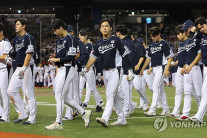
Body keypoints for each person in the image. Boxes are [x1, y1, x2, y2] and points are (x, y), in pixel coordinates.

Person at [82, 18, 133, 127]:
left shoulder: (116, 40)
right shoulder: (99, 43)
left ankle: (105, 118)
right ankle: (122, 119)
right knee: (113, 97)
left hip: (116, 70)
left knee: (109, 94)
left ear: (110, 28)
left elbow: (125, 54)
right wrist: (86, 68)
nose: (104, 28)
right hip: (105, 72)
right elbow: (93, 58)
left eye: (106, 26)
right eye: (102, 26)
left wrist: (130, 70)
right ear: (100, 29)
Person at [45, 19, 91, 130]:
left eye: (55, 30)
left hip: (68, 68)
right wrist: (54, 59)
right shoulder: (59, 41)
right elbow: (60, 56)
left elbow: (71, 57)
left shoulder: (71, 39)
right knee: (63, 97)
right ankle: (83, 112)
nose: (54, 32)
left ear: (61, 27)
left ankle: (58, 123)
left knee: (59, 95)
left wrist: (57, 59)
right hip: (61, 69)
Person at [7, 18, 37, 124]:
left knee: (29, 93)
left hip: (27, 67)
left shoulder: (29, 37)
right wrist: (9, 57)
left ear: (24, 26)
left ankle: (32, 118)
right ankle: (23, 114)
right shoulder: (16, 39)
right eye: (15, 24)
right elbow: (15, 53)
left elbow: (29, 54)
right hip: (19, 67)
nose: (16, 26)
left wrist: (24, 68)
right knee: (10, 90)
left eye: (18, 24)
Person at [140, 26, 173, 116]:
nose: (152, 38)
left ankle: (153, 110)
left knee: (155, 87)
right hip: (154, 68)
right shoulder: (152, 44)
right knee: (160, 89)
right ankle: (166, 109)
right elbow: (148, 58)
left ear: (159, 34)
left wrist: (167, 69)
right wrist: (143, 68)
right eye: (151, 36)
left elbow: (170, 57)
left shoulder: (164, 44)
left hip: (161, 68)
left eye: (154, 36)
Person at [176, 20, 202, 121]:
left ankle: (201, 110)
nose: (185, 31)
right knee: (187, 92)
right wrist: (185, 67)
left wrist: (190, 66)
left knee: (199, 93)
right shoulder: (187, 41)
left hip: (196, 68)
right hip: (188, 68)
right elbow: (188, 57)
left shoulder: (198, 39)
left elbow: (199, 55)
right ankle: (185, 114)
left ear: (191, 28)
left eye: (186, 29)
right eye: (185, 30)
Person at [115, 25, 137, 117]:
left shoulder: (127, 42)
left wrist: (129, 71)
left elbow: (130, 57)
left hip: (125, 70)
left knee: (125, 92)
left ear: (119, 32)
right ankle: (132, 104)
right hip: (121, 69)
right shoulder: (124, 41)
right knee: (118, 91)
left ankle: (126, 110)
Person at [78, 29, 103, 112]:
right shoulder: (80, 46)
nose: (80, 38)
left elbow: (92, 58)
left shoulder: (90, 46)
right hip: (82, 69)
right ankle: (78, 105)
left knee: (92, 88)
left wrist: (88, 67)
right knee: (80, 88)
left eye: (81, 36)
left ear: (85, 36)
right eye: (79, 36)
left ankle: (98, 104)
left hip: (89, 69)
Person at [188, 17, 207, 123]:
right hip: (205, 67)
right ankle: (199, 117)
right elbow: (190, 33)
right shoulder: (202, 35)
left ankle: (198, 117)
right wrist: (197, 28)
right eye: (200, 28)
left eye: (203, 27)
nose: (201, 30)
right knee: (204, 93)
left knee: (204, 93)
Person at [0, 23, 12, 123]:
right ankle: (1, 113)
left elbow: (7, 57)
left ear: (1, 32)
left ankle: (5, 116)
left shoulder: (6, 42)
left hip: (4, 69)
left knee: (4, 93)